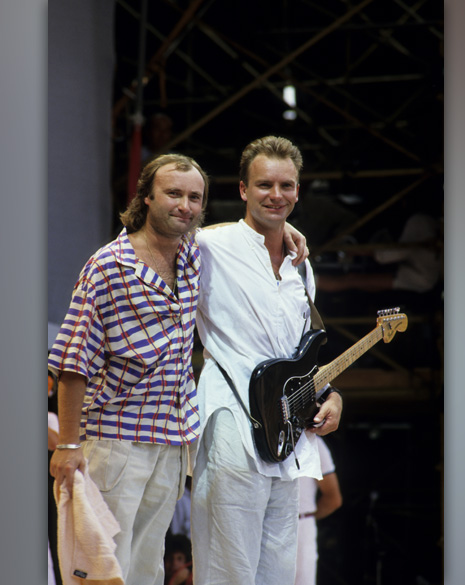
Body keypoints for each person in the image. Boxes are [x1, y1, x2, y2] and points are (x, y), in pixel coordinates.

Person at [48, 153, 307, 585]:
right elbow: (73, 362)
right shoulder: (108, 266)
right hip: (114, 438)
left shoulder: (191, 255)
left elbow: (233, 233)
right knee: (100, 571)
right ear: (147, 197)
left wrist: (284, 228)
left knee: (148, 570)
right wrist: (69, 444)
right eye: (173, 193)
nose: (184, 206)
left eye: (194, 197)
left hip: (170, 443)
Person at [191, 135, 344, 585]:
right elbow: (153, 235)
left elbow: (298, 354)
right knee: (228, 571)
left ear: (298, 191)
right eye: (264, 185)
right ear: (243, 189)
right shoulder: (209, 246)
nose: (276, 195)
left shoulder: (302, 266)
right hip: (233, 424)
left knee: (278, 574)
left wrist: (331, 395)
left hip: (287, 435)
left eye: (286, 186)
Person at [295, 439, 342, 585]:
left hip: (300, 525)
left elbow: (333, 498)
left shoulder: (313, 442)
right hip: (262, 523)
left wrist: (308, 519)